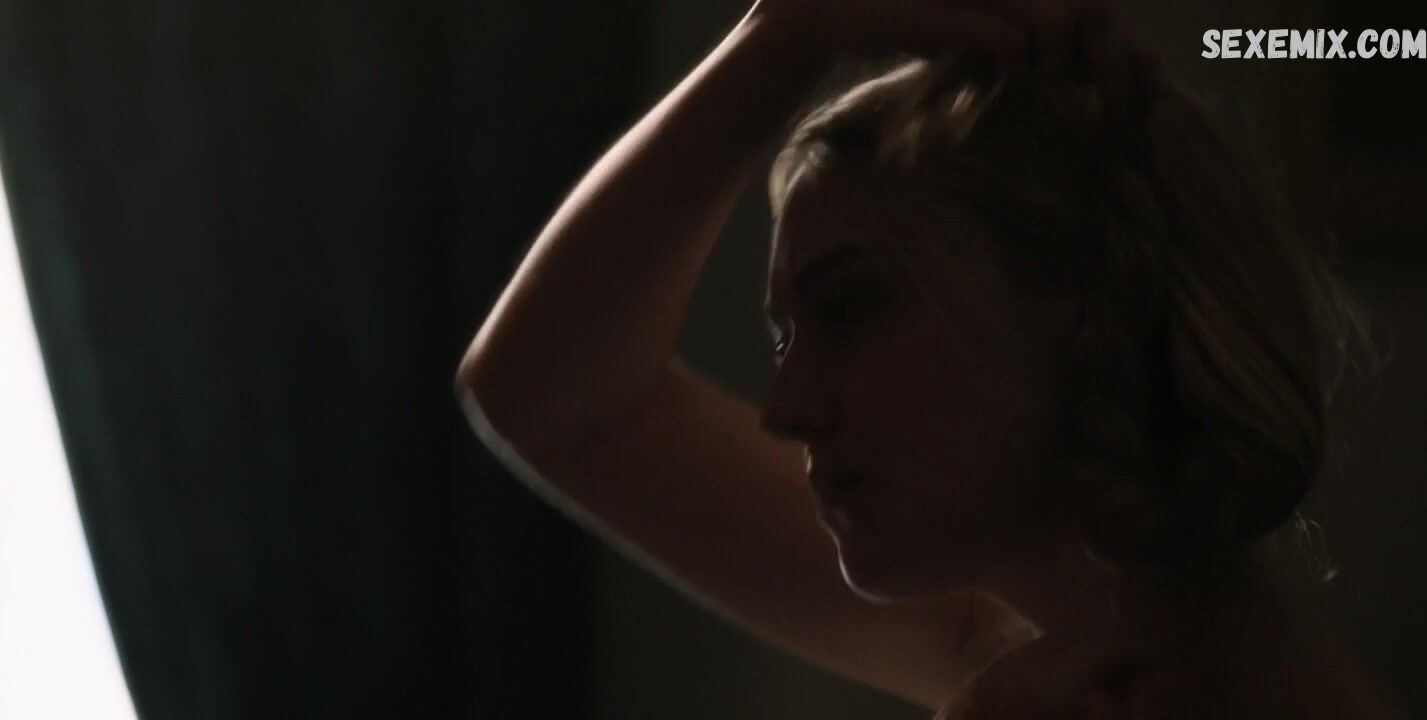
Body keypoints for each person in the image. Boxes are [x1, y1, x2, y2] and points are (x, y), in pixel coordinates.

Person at [454, 0, 1406, 716]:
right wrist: (783, 36)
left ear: (1084, 301)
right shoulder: (1014, 631)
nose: (785, 411)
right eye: (786, 335)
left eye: (850, 310)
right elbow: (553, 400)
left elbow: (564, 407)